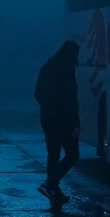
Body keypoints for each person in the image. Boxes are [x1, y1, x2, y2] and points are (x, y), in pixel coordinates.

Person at [35, 40, 80, 204]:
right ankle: (51, 184)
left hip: (49, 117)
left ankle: (52, 184)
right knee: (72, 153)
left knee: (54, 152)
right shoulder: (66, 71)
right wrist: (75, 123)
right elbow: (71, 100)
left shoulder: (48, 67)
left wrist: (47, 109)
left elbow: (38, 92)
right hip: (62, 119)